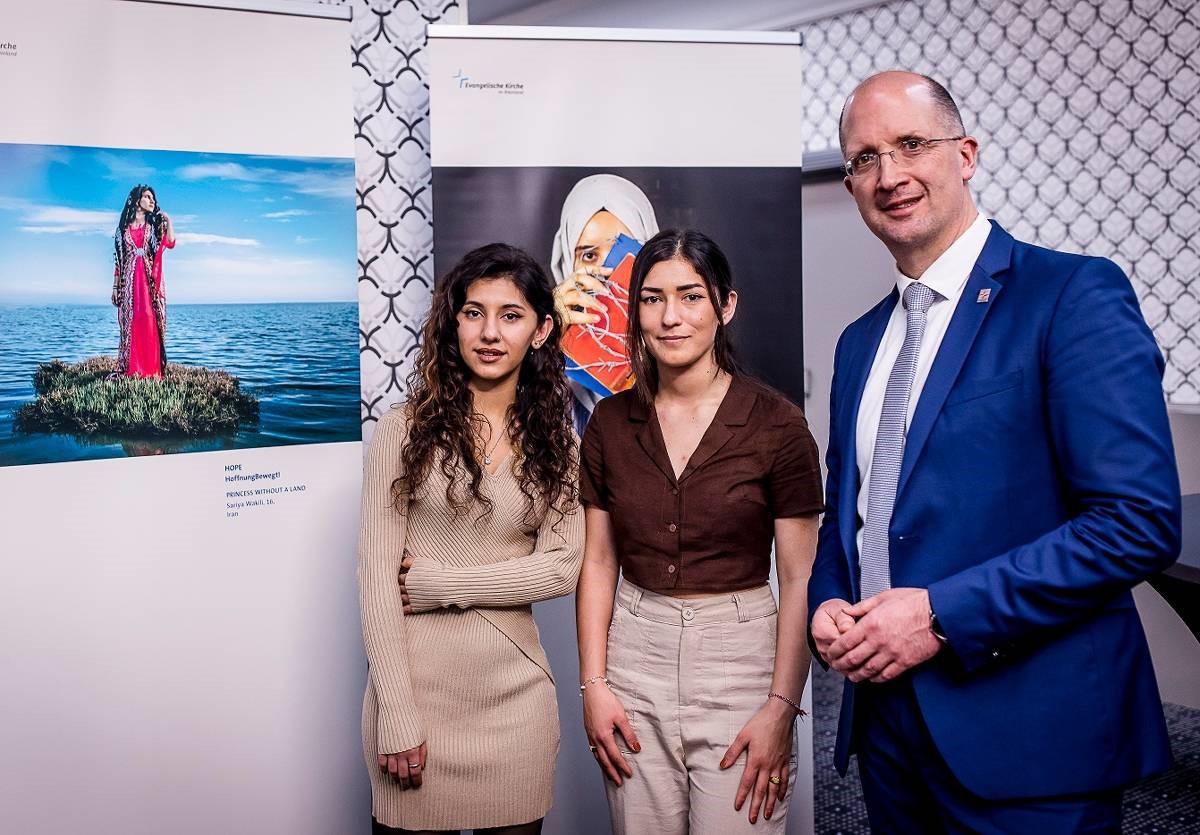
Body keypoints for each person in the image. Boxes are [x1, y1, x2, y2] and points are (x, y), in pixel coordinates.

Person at [809, 70, 1181, 832]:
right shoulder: (858, 345)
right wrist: (824, 599)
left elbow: (1136, 521)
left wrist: (941, 614)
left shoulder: (1071, 296)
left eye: (912, 144)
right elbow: (850, 515)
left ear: (967, 153)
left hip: (1030, 734)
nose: (890, 175)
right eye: (865, 158)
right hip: (887, 726)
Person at [576, 229, 824, 834]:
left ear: (725, 306)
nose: (670, 318)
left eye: (690, 296)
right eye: (653, 299)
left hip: (741, 661)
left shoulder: (778, 425)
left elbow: (799, 577)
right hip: (635, 656)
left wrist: (781, 707)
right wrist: (594, 685)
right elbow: (600, 564)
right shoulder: (609, 421)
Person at [359, 243, 584, 834]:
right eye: (473, 312)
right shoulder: (401, 431)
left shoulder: (559, 444)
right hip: (416, 702)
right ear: (452, 322)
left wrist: (440, 583)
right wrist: (397, 715)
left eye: (511, 315)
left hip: (515, 706)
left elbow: (562, 569)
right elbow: (377, 584)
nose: (490, 332)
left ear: (540, 330)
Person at [550, 173, 660, 426]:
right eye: (589, 255)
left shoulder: (680, 347)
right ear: (568, 262)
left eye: (621, 252)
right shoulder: (539, 363)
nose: (606, 270)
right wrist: (543, 340)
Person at [111, 184, 175, 377]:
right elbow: (118, 261)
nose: (152, 200)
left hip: (148, 281)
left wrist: (169, 220)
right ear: (137, 200)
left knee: (149, 319)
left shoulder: (154, 226)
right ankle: (133, 370)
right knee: (132, 320)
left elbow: (170, 243)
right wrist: (115, 288)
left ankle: (152, 370)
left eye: (153, 198)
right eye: (147, 197)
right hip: (129, 282)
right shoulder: (121, 231)